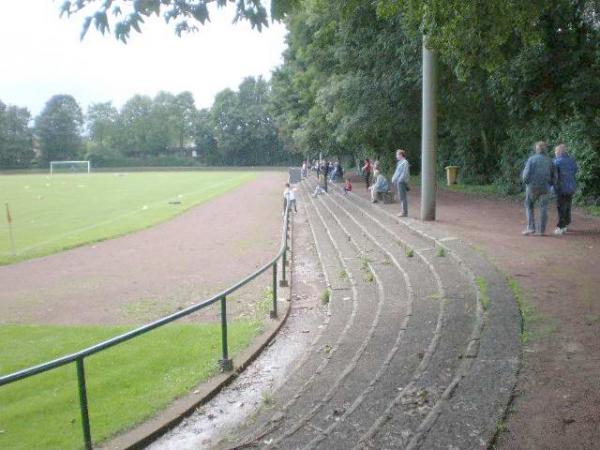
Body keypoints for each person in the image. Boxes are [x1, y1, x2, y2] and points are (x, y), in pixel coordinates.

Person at [522, 141, 556, 236]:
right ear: (545, 150)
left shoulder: (531, 159)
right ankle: (541, 230)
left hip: (532, 187)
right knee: (543, 208)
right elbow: (555, 176)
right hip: (545, 187)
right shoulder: (550, 160)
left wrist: (526, 183)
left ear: (536, 149)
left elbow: (525, 175)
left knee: (529, 205)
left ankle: (531, 227)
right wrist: (551, 185)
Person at [553, 143, 578, 235]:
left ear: (560, 152)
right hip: (571, 186)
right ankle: (566, 224)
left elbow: (554, 176)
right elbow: (575, 170)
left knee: (560, 207)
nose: (555, 153)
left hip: (561, 187)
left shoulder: (556, 162)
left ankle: (561, 226)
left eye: (556, 151)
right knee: (567, 206)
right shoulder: (572, 160)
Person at [391, 149, 410, 217]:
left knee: (402, 197)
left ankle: (404, 212)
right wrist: (393, 179)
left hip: (401, 182)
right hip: (399, 181)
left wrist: (399, 180)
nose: (396, 156)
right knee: (401, 196)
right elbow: (397, 172)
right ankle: (403, 211)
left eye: (397, 154)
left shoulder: (405, 162)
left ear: (401, 155)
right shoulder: (400, 163)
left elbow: (404, 173)